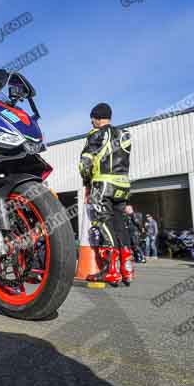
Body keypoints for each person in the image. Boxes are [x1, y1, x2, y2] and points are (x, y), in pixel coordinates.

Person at [79, 102, 134, 287]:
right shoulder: (124, 135)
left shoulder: (95, 134)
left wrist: (87, 184)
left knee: (104, 222)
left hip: (103, 184)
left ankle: (111, 271)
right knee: (120, 224)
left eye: (92, 119)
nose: (91, 122)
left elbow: (85, 164)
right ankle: (127, 269)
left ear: (95, 117)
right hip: (123, 184)